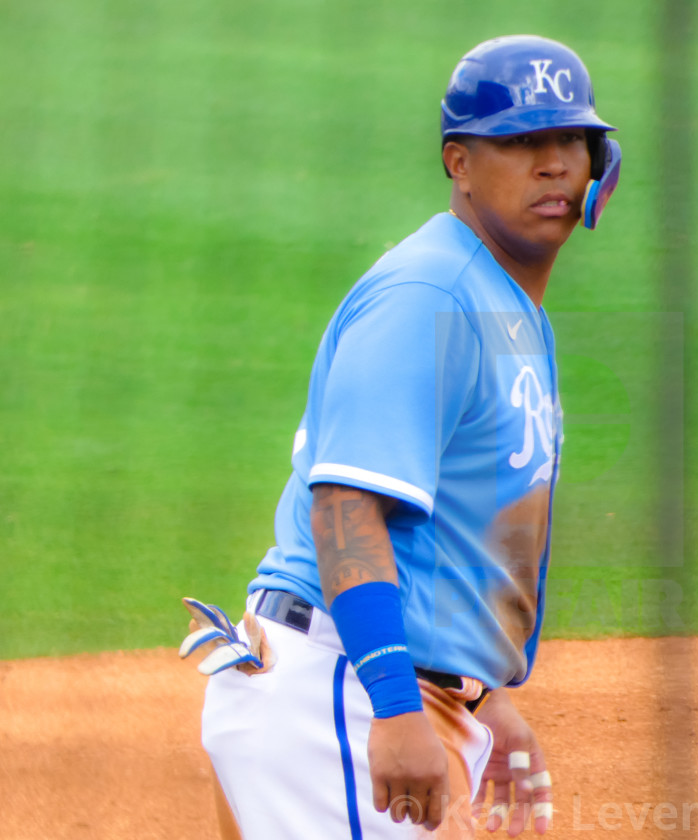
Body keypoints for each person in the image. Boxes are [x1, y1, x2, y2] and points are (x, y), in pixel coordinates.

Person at [180, 34, 620, 840]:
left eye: (572, 141)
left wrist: (480, 696)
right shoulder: (429, 296)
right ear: (458, 162)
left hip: (369, 691)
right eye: (523, 143)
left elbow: (443, 544)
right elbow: (347, 507)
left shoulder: (499, 300)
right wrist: (393, 702)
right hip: (339, 703)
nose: (555, 164)